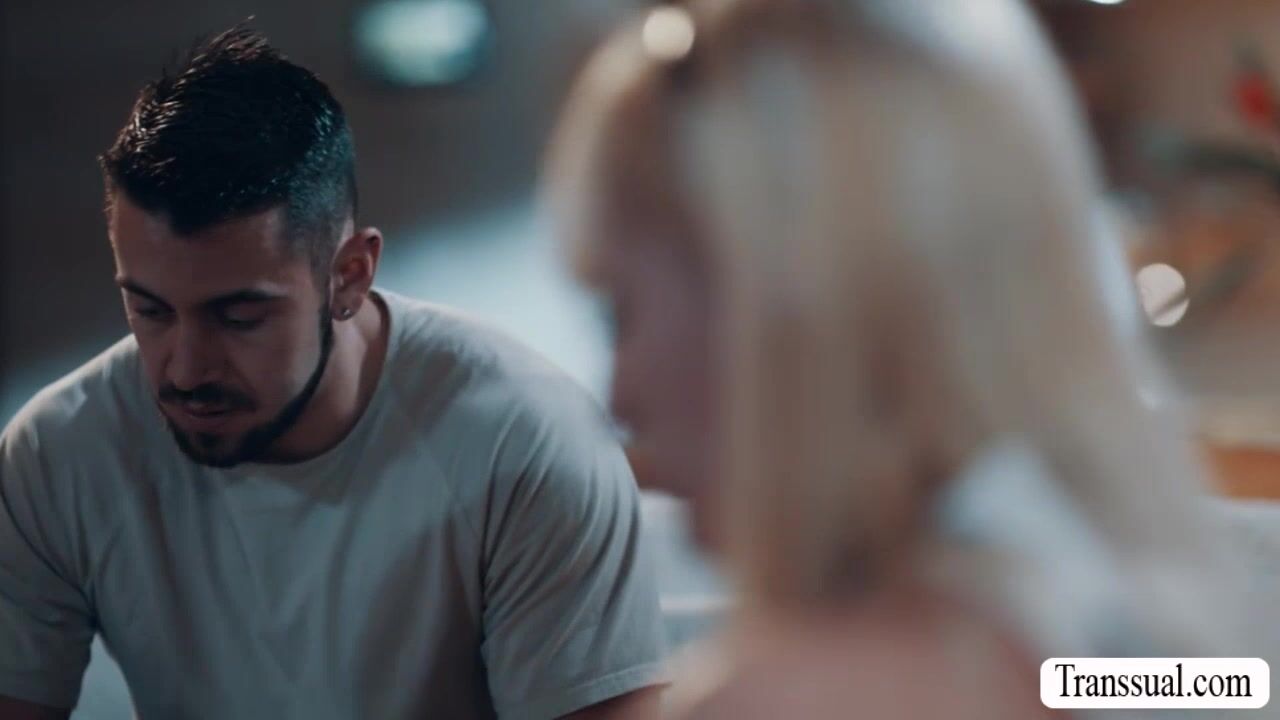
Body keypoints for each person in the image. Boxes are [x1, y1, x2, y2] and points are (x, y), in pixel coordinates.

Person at [547, 0, 1236, 716]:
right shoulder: (1116, 608)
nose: (617, 395)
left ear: (786, 307)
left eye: (621, 312)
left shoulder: (791, 695)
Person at [0, 26, 665, 720]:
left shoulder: (527, 444)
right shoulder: (57, 455)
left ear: (349, 275)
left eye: (240, 316)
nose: (186, 369)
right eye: (149, 309)